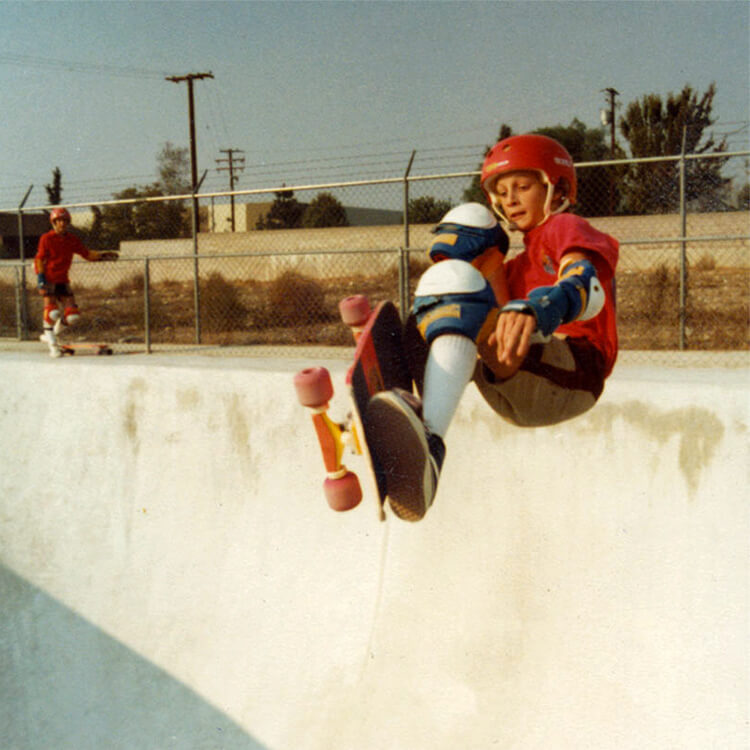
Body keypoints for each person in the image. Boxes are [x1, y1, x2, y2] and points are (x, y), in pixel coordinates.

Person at [366, 134, 619, 522]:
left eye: (522, 186)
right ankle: (411, 417)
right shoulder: (517, 267)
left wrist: (540, 309)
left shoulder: (565, 226)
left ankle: (431, 444)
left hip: (574, 371)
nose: (509, 199)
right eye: (501, 191)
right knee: (459, 255)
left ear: (558, 187)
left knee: (458, 289)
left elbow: (585, 281)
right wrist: (486, 259)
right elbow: (487, 307)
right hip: (518, 378)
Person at [34, 207, 117, 357]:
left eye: (64, 221)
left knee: (72, 316)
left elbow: (86, 254)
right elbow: (39, 259)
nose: (62, 224)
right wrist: (40, 278)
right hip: (49, 279)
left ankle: (49, 335)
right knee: (51, 313)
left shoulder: (72, 239)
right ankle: (53, 347)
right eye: (58, 221)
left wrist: (102, 256)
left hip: (63, 280)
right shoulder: (47, 238)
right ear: (53, 222)